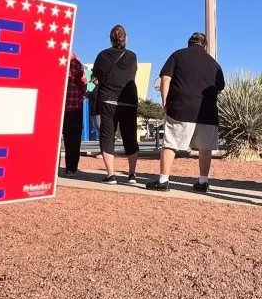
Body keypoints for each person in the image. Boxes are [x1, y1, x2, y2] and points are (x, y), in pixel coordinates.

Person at [147, 32, 226, 193]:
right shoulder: (214, 64)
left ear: (189, 43)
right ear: (205, 45)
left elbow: (165, 78)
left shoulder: (177, 55)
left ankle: (163, 180)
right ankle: (203, 182)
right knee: (205, 147)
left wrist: (165, 101)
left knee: (170, 143)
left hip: (181, 108)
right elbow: (219, 87)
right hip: (208, 111)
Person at [92, 25, 140, 184]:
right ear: (126, 39)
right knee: (130, 136)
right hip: (128, 100)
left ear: (110, 39)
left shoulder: (102, 55)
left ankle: (111, 175)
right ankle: (132, 174)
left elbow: (95, 77)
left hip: (108, 99)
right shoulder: (132, 56)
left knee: (107, 136)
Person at [61, 53, 87, 176]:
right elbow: (83, 83)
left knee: (55, 138)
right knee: (74, 139)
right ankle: (71, 167)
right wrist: (81, 95)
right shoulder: (76, 62)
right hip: (74, 105)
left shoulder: (52, 57)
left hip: (57, 106)